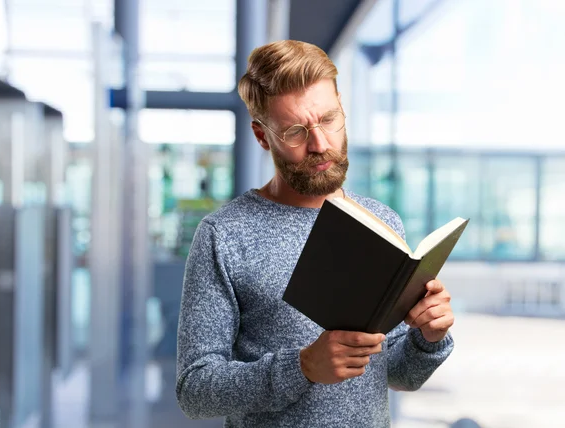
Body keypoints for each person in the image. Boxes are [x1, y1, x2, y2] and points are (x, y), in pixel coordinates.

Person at [176, 40, 455, 427]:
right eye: (295, 132)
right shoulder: (224, 235)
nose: (320, 144)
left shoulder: (382, 222)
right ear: (262, 136)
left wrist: (428, 337)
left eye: (328, 119)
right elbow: (195, 391)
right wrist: (303, 366)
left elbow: (394, 372)